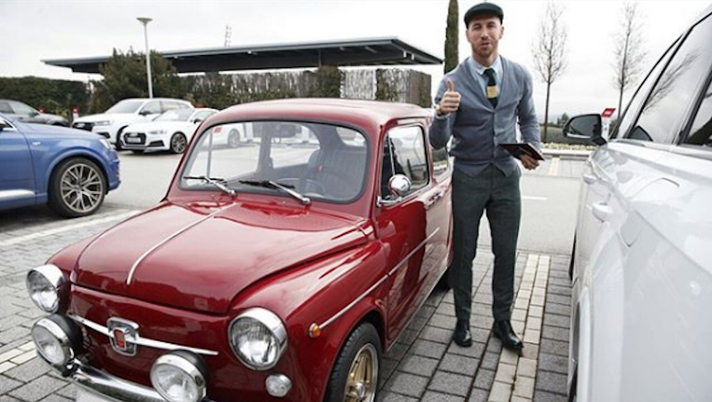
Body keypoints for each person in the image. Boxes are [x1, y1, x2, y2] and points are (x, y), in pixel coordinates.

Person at [429, 2, 541, 351]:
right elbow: (437, 141)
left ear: (501, 31)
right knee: (464, 254)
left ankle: (502, 322)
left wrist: (532, 149)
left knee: (506, 253)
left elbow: (528, 119)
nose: (484, 33)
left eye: (490, 26)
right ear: (468, 35)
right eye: (476, 27)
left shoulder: (519, 75)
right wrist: (441, 114)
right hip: (468, 177)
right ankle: (462, 321)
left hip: (506, 176)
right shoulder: (451, 81)